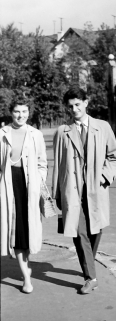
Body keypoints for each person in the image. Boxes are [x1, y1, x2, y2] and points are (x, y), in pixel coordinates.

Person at [52, 86, 116, 294]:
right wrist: (57, 193)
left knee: (95, 230)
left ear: (86, 102)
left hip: (96, 190)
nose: (74, 109)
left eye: (77, 104)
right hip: (72, 191)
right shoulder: (62, 132)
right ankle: (91, 277)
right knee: (78, 231)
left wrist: (104, 177)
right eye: (70, 106)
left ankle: (88, 261)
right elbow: (58, 164)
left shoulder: (103, 127)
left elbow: (114, 157)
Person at [0, 92, 48, 294]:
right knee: (17, 230)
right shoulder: (2, 134)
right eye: (17, 111)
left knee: (28, 230)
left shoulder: (35, 134)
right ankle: (26, 276)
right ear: (10, 113)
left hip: (30, 186)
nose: (21, 115)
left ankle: (25, 262)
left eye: (24, 111)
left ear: (29, 112)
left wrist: (39, 183)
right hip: (9, 185)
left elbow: (42, 163)